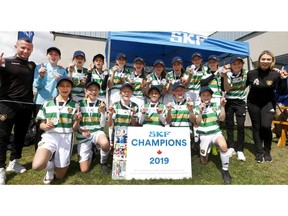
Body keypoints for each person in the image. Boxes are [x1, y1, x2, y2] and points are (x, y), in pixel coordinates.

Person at [32, 77, 81, 184]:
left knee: (59, 176)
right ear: (57, 87)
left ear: (71, 88)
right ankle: (50, 168)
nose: (65, 88)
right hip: (50, 136)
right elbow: (41, 124)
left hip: (66, 137)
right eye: (62, 85)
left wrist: (77, 121)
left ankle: (56, 164)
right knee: (37, 165)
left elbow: (74, 128)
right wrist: (45, 126)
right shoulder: (47, 103)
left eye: (68, 86)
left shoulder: (75, 105)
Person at [0, 37, 36, 185]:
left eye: (28, 49)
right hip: (7, 104)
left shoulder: (32, 65)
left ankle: (14, 162)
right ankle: (1, 168)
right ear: (16, 46)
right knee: (2, 137)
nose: (25, 51)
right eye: (23, 48)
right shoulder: (5, 62)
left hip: (26, 105)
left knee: (20, 136)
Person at [246, 50, 288, 163]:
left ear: (272, 61)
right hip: (253, 103)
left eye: (268, 59)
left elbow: (281, 91)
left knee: (265, 126)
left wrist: (283, 79)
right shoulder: (251, 73)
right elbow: (240, 87)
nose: (265, 61)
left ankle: (267, 151)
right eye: (263, 59)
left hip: (268, 103)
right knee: (256, 127)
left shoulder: (275, 74)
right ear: (259, 60)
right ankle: (259, 152)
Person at [191, 86, 232, 184]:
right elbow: (196, 123)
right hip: (204, 135)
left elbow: (222, 119)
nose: (206, 97)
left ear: (211, 96)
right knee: (204, 162)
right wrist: (200, 112)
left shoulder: (215, 106)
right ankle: (206, 150)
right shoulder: (196, 108)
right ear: (200, 96)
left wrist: (222, 107)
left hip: (215, 132)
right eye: (204, 95)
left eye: (208, 95)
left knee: (223, 146)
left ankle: (225, 170)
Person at [33, 47, 68, 151]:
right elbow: (36, 85)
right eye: (51, 54)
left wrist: (60, 81)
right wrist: (40, 76)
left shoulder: (62, 70)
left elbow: (65, 87)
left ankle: (52, 151)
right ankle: (39, 152)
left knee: (53, 127)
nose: (53, 56)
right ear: (47, 56)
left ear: (59, 57)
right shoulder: (40, 67)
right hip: (41, 102)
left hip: (55, 104)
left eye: (56, 55)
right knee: (40, 127)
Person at [76, 81, 110, 175]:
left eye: (96, 89)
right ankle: (92, 151)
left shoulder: (102, 103)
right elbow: (77, 123)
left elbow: (103, 125)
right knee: (84, 170)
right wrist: (81, 130)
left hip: (96, 132)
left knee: (105, 144)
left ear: (99, 91)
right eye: (90, 89)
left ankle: (103, 162)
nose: (93, 91)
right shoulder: (79, 104)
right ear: (86, 91)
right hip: (83, 134)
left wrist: (103, 112)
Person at [222, 55, 248, 161]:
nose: (236, 65)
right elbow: (227, 88)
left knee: (241, 126)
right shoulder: (227, 74)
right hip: (229, 101)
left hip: (240, 102)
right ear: (231, 65)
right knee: (229, 125)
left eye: (239, 63)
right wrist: (224, 76)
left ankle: (240, 150)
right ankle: (231, 147)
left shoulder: (246, 73)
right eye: (234, 64)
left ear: (242, 64)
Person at [107, 83, 139, 148]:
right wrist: (110, 115)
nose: (126, 93)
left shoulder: (135, 106)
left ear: (132, 93)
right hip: (118, 133)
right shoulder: (115, 105)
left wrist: (132, 116)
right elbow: (110, 125)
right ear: (120, 93)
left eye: (129, 92)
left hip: (130, 134)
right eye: (124, 91)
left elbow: (135, 124)